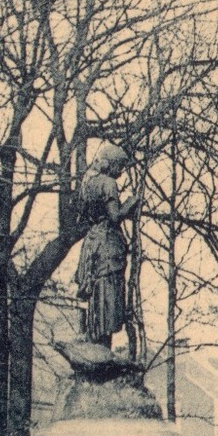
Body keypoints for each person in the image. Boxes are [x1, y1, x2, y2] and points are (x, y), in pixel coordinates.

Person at [74, 143, 131, 349]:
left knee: (96, 292)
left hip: (92, 242)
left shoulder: (87, 182)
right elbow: (115, 215)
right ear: (111, 164)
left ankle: (93, 336)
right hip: (107, 244)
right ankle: (102, 344)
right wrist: (131, 204)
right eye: (119, 166)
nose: (121, 171)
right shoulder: (108, 183)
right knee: (108, 293)